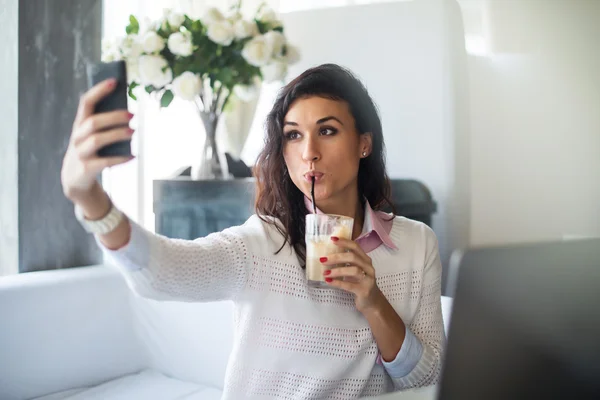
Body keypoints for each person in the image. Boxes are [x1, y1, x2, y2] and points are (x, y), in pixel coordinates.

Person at [61, 63, 445, 399]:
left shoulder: (415, 244)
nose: (308, 151)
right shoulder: (262, 243)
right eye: (293, 135)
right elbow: (161, 273)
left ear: (363, 144)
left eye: (327, 131)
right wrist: (92, 201)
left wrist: (374, 302)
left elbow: (428, 380)